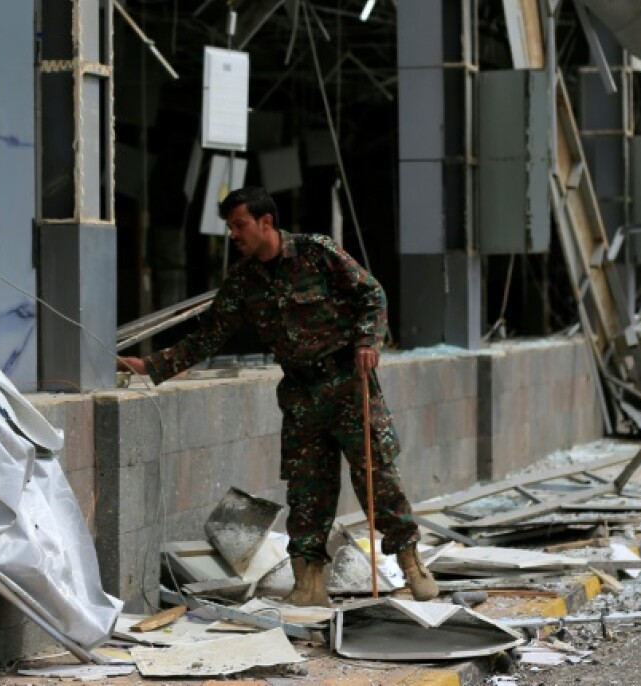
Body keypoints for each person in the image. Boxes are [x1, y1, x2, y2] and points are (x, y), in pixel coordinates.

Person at [117, 186, 438, 606]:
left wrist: (367, 342)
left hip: (347, 383)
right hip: (302, 394)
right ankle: (309, 581)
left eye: (240, 225)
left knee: (376, 477)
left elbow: (371, 294)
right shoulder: (244, 281)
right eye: (230, 227)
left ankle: (411, 563)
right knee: (308, 491)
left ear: (266, 222)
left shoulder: (316, 253)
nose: (234, 234)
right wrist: (152, 367)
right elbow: (209, 335)